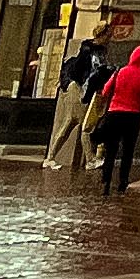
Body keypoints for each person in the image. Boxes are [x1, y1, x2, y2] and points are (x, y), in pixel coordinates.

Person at [43, 24, 109, 178]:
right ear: (102, 34)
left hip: (82, 90)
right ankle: (90, 159)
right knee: (85, 124)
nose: (109, 37)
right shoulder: (89, 50)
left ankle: (50, 157)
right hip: (79, 91)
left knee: (69, 123)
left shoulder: (97, 50)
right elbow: (86, 72)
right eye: (108, 34)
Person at [96, 43, 140, 198]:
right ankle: (123, 181)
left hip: (114, 114)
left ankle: (106, 180)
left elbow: (106, 90)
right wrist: (137, 104)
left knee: (111, 149)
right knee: (128, 150)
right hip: (132, 116)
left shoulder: (120, 72)